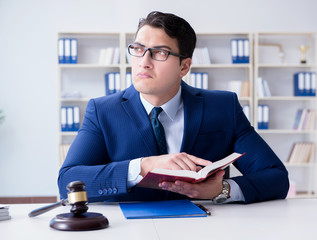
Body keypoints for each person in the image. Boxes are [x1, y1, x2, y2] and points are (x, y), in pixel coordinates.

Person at [58, 11, 289, 204]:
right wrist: (143, 166)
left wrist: (221, 189)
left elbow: (276, 178)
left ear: (184, 66)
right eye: (138, 49)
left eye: (160, 52)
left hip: (205, 228)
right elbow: (68, 181)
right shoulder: (103, 111)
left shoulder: (222, 107)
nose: (144, 61)